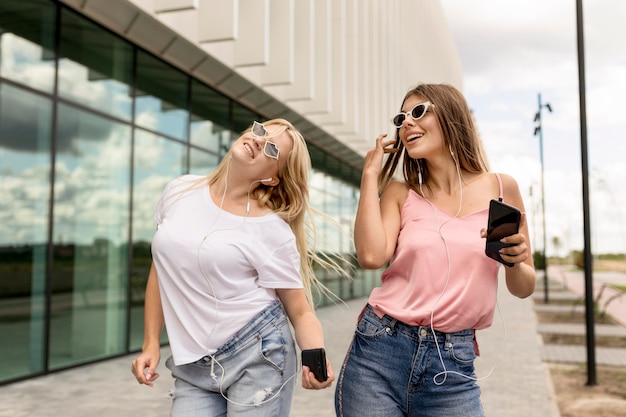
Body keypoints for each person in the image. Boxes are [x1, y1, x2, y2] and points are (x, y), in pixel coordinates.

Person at [334, 83, 536, 417]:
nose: (406, 124)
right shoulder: (401, 193)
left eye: (417, 112)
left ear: (450, 114)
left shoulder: (501, 188)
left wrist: (515, 262)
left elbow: (524, 288)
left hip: (453, 363)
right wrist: (370, 174)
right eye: (401, 118)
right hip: (379, 351)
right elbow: (371, 256)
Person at [131, 118, 343, 417]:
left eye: (271, 148)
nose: (258, 140)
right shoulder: (179, 191)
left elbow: (300, 310)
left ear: (272, 178)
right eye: (259, 131)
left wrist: (315, 356)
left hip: (259, 354)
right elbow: (162, 269)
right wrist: (150, 343)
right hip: (195, 364)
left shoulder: (271, 230)